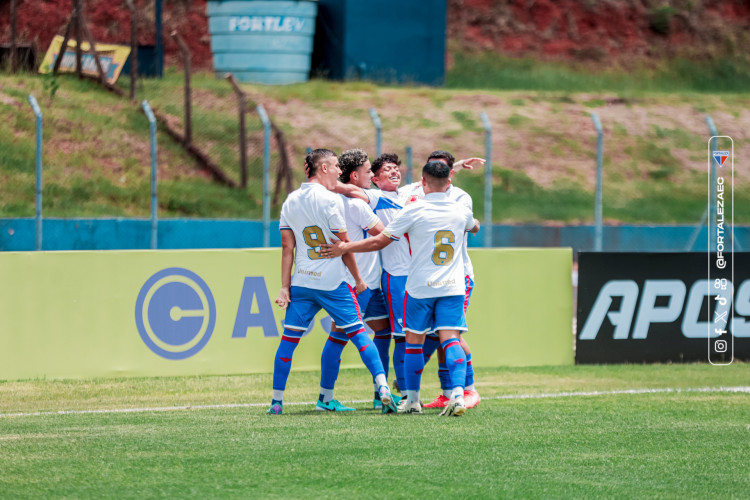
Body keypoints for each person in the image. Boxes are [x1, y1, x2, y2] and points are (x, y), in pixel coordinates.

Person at [322, 160, 480, 417]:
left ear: (423, 182)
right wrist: (472, 224)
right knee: (450, 340)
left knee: (413, 343)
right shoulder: (459, 210)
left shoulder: (413, 210)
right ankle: (459, 395)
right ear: (449, 183)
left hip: (419, 287)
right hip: (452, 286)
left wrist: (345, 247)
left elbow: (378, 242)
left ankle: (412, 400)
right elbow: (475, 226)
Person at [267, 148, 396, 415]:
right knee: (360, 335)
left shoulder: (290, 201)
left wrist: (284, 286)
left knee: (289, 341)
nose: (339, 171)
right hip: (333, 283)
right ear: (323, 168)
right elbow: (343, 246)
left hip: (302, 283)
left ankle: (276, 403)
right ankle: (382, 388)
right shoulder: (331, 201)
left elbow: (286, 248)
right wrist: (358, 279)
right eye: (335, 166)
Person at [322, 148, 395, 410]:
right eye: (367, 172)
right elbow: (384, 235)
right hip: (356, 283)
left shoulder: (331, 201)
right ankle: (326, 398)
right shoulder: (355, 204)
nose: (371, 175)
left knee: (383, 330)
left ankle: (379, 396)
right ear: (354, 176)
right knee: (339, 337)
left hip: (369, 283)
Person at [417, 151, 483, 410]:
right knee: (439, 334)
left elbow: (473, 226)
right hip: (429, 277)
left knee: (449, 334)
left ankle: (469, 389)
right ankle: (447, 391)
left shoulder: (460, 198)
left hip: (457, 276)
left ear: (450, 173)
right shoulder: (422, 191)